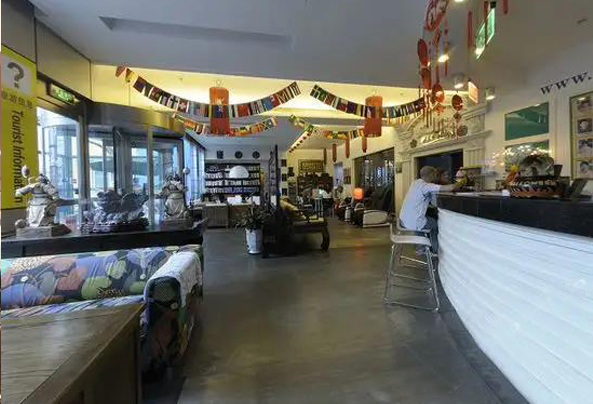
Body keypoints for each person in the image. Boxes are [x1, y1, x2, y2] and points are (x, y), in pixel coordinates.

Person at [399, 166, 460, 254]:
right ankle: (435, 250)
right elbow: (451, 188)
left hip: (403, 220)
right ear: (431, 175)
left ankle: (420, 246)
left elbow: (430, 201)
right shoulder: (426, 186)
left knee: (423, 220)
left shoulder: (415, 183)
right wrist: (460, 182)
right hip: (413, 222)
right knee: (435, 224)